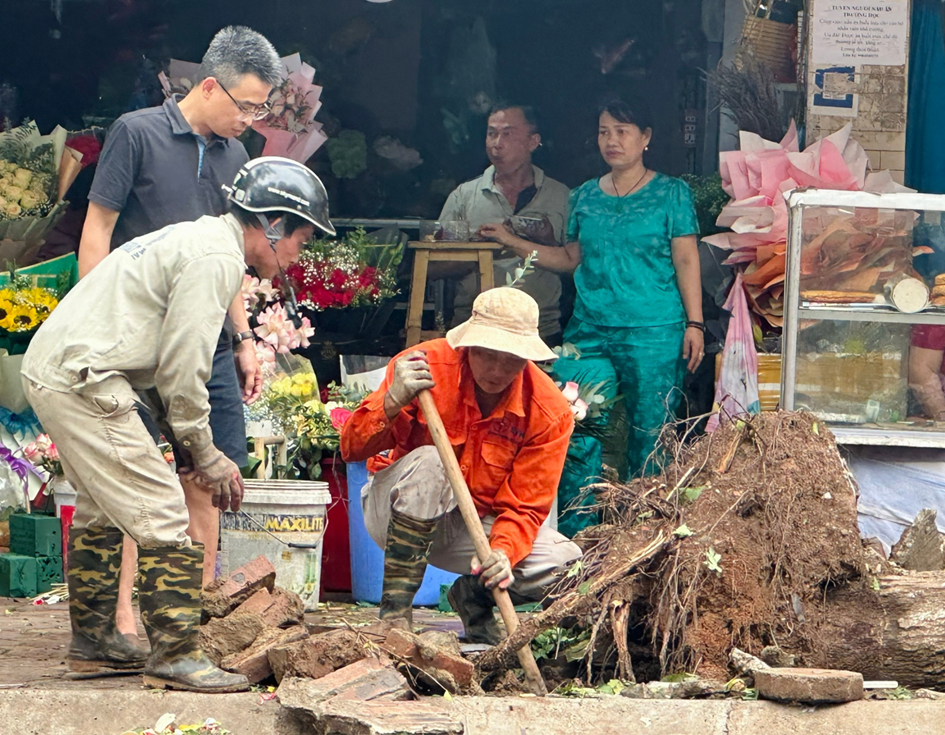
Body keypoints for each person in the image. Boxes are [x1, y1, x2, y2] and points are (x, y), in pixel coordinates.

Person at [21, 157, 334, 691]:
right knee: (164, 511)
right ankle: (176, 655)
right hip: (82, 378)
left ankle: (95, 643)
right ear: (274, 224)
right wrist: (205, 452)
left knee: (102, 507)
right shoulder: (216, 259)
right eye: (300, 242)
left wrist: (188, 445)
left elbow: (158, 360)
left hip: (62, 368)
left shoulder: (198, 237)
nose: (295, 258)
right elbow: (183, 370)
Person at [76, 26, 283, 645]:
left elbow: (231, 258)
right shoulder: (136, 133)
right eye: (246, 106)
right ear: (210, 85)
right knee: (136, 476)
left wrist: (244, 337)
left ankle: (194, 619)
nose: (249, 121)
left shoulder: (235, 158)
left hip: (209, 339)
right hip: (136, 342)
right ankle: (122, 617)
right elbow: (97, 230)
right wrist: (94, 321)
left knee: (209, 473)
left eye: (260, 110)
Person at [340, 287, 582, 643]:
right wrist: (392, 401)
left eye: (511, 359)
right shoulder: (421, 366)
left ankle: (472, 597)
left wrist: (503, 552)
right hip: (393, 513)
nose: (497, 370)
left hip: (472, 528)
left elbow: (525, 508)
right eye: (487, 354)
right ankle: (394, 618)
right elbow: (351, 449)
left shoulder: (548, 411)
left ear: (528, 358)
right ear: (468, 345)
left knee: (568, 565)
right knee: (432, 461)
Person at [497, 97, 704, 481]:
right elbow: (569, 259)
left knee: (651, 434)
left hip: (654, 332)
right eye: (604, 132)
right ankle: (581, 514)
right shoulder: (583, 197)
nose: (612, 140)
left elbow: (687, 260)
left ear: (645, 137)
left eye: (622, 131)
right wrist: (512, 242)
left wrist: (695, 324)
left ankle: (645, 514)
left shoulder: (671, 193)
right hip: (589, 331)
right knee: (576, 425)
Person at [440, 105, 570, 342]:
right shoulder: (464, 196)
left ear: (533, 142)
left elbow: (575, 265)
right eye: (492, 133)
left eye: (507, 134)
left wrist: (547, 241)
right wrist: (478, 250)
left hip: (539, 332)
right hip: (473, 331)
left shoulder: (561, 197)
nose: (496, 144)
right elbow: (434, 266)